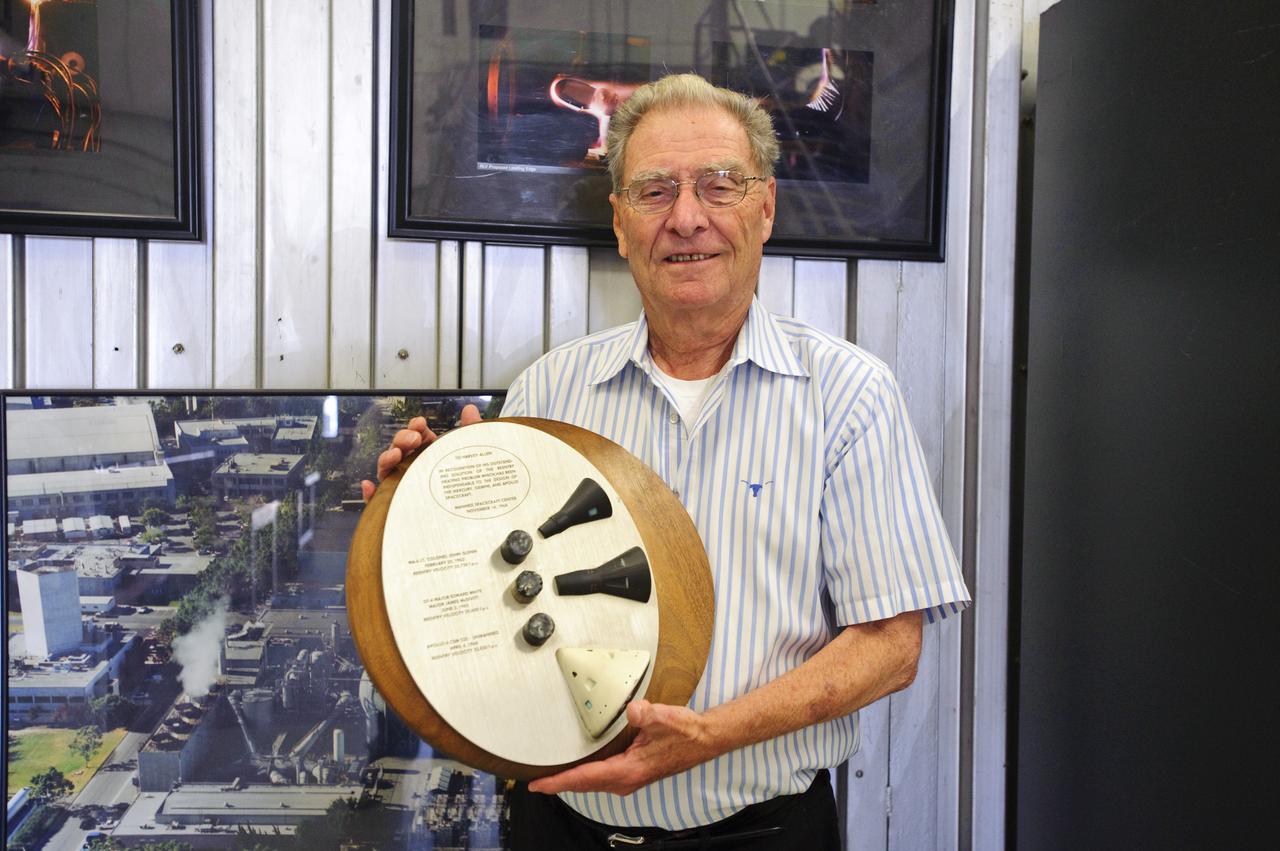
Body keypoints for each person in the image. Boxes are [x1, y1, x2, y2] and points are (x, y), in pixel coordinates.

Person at [362, 73, 970, 850]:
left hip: (765, 833)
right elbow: (496, 591)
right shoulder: (548, 387)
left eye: (719, 185)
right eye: (654, 192)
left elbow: (891, 647)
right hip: (564, 830)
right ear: (620, 224)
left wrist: (710, 734)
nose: (687, 218)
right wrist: (415, 512)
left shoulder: (849, 395)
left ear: (766, 207)